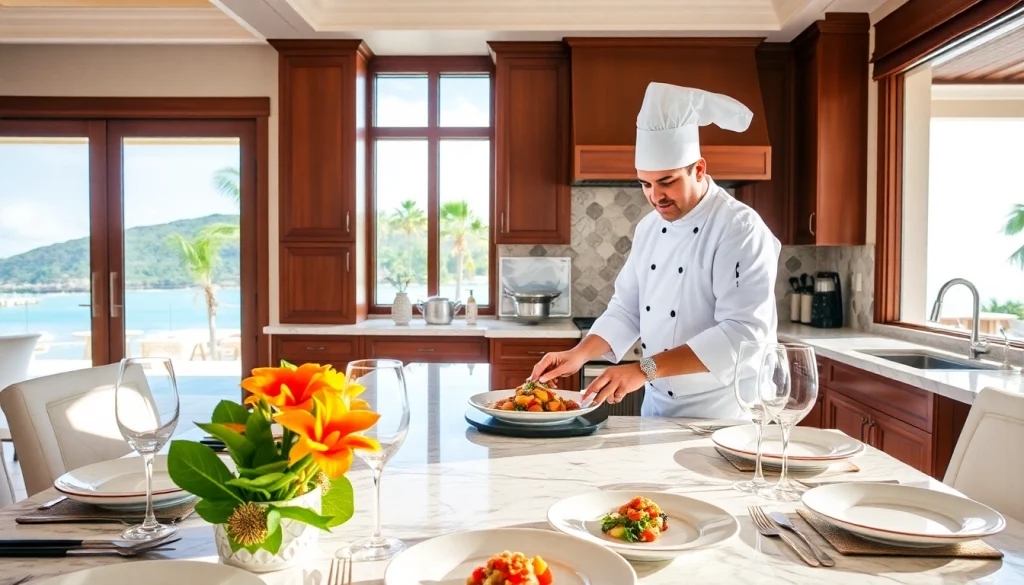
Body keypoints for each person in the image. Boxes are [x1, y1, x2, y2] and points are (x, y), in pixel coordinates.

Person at [529, 82, 781, 419]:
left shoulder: (739, 229)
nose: (655, 196)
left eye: (667, 181)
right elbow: (627, 309)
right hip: (660, 408)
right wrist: (580, 353)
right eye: (645, 184)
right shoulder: (649, 228)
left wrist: (642, 369)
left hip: (726, 412)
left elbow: (743, 334)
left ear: (700, 169)